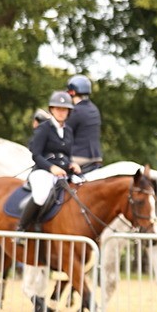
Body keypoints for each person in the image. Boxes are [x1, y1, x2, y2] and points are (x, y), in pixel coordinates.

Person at [17, 90, 80, 238]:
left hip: (63, 173)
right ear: (52, 109)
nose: (61, 112)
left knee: (81, 188)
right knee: (41, 195)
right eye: (58, 109)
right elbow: (36, 155)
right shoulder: (44, 128)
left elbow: (66, 155)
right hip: (43, 171)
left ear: (68, 112)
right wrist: (51, 168)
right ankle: (22, 228)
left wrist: (72, 164)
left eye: (64, 110)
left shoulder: (68, 131)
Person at [65, 74, 103, 172]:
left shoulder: (76, 111)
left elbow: (64, 134)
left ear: (72, 92)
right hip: (96, 157)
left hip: (79, 157)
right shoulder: (94, 109)